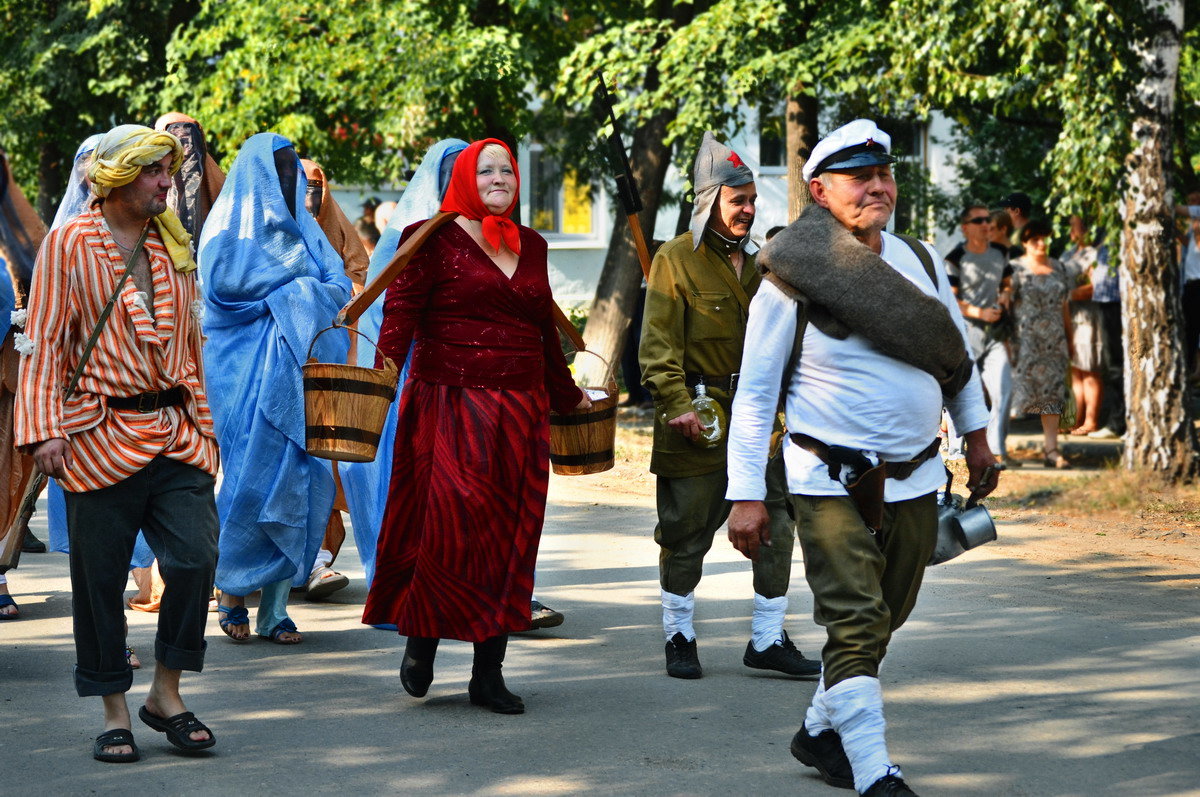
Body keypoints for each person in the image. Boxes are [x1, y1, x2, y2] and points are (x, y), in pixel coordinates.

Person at [726, 119, 995, 797]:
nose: (877, 187)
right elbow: (755, 393)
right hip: (826, 479)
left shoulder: (922, 259)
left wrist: (978, 436)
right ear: (819, 191)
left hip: (916, 478)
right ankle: (877, 771)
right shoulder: (792, 274)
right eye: (858, 178)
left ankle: (819, 731)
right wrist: (746, 491)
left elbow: (955, 360)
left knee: (884, 618)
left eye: (884, 175)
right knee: (856, 619)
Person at [361, 138, 590, 715]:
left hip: (520, 412)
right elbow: (400, 318)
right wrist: (375, 387)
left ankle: (489, 672)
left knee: (510, 536)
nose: (498, 177)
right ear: (463, 178)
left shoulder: (532, 245)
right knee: (448, 530)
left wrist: (568, 396)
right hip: (449, 405)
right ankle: (422, 643)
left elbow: (542, 333)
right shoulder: (431, 236)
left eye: (507, 169)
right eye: (485, 169)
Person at [15, 124, 220, 762]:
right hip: (96, 436)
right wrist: (45, 428)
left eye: (169, 169)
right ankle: (114, 711)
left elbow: (190, 345)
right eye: (156, 172)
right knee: (99, 582)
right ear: (119, 178)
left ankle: (166, 692)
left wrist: (205, 426)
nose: (169, 182)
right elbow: (46, 341)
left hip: (175, 433)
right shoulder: (69, 242)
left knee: (194, 558)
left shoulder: (173, 244)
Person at [639, 131, 821, 681]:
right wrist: (677, 405)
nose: (748, 208)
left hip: (760, 418)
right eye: (736, 199)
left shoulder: (766, 263)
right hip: (698, 413)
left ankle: (766, 637)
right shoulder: (675, 261)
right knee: (686, 531)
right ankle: (679, 634)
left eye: (751, 198)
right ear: (708, 202)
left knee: (776, 522)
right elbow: (657, 349)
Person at [198, 133, 351, 645]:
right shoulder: (225, 229)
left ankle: (277, 610)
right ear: (255, 175)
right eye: (279, 171)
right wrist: (299, 288)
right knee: (246, 483)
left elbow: (339, 285)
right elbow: (222, 288)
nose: (289, 181)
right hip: (239, 376)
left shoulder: (307, 228)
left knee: (300, 484)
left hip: (299, 375)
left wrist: (297, 292)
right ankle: (231, 593)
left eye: (294, 173)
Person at [299, 157, 370, 601]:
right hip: (270, 365)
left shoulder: (338, 232)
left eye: (315, 186)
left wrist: (337, 296)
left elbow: (359, 277)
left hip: (330, 361)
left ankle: (318, 561)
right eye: (298, 184)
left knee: (326, 461)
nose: (308, 194)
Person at [943, 202, 1018, 468]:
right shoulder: (954, 258)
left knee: (1002, 388)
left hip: (995, 333)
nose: (985, 225)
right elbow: (951, 300)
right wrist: (979, 311)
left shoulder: (999, 254)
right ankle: (954, 446)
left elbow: (1008, 282)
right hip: (967, 332)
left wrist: (1005, 297)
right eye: (979, 222)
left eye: (987, 221)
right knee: (961, 387)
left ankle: (995, 447)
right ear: (965, 228)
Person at [1010, 218, 1073, 468]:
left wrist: (1071, 337)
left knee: (1052, 396)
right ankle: (998, 449)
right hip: (1023, 339)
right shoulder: (1014, 268)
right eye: (1035, 239)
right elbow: (1004, 304)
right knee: (1011, 395)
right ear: (1025, 242)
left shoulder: (1059, 267)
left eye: (1044, 238)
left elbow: (1065, 304)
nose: (1041, 243)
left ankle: (1051, 450)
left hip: (1054, 340)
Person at [1061, 216, 1106, 435]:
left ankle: (1091, 421)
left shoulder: (1096, 253)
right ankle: (1075, 419)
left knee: (1090, 371)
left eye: (1076, 224)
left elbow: (1095, 286)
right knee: (1076, 372)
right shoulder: (1069, 253)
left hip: (1089, 317)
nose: (1072, 228)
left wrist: (1067, 294)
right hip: (1069, 318)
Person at [1174, 195, 1200, 381]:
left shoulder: (1198, 214)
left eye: (1195, 200)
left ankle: (1193, 369)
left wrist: (1162, 196)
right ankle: (1193, 369)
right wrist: (1175, 231)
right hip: (1190, 282)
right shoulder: (1193, 225)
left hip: (1197, 282)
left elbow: (1178, 208)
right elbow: (1189, 244)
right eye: (1189, 199)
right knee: (1190, 327)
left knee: (1194, 328)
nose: (1191, 203)